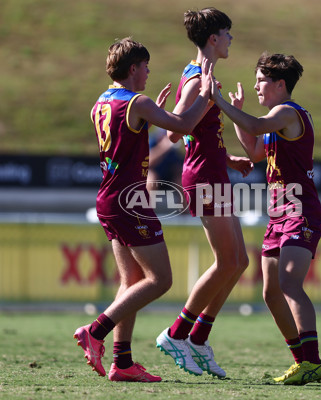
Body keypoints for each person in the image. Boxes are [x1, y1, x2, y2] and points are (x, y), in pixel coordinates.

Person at [73, 37, 213, 383]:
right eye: (146, 66)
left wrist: (154, 116)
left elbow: (131, 135)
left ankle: (122, 363)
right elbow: (182, 127)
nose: (149, 71)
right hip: (130, 200)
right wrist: (208, 98)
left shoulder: (102, 102)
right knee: (160, 279)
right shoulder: (138, 101)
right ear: (133, 68)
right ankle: (96, 330)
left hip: (108, 197)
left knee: (132, 281)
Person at [209, 52, 321, 385]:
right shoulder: (277, 119)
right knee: (271, 292)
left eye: (261, 80)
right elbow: (255, 151)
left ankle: (313, 361)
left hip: (300, 210)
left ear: (279, 84)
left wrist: (220, 102)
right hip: (280, 212)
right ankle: (303, 362)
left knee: (289, 284)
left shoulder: (286, 112)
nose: (256, 86)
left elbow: (255, 125)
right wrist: (235, 114)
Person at [155, 8, 253, 378]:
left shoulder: (201, 74)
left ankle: (198, 338)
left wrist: (229, 158)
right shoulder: (198, 79)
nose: (231, 39)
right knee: (227, 262)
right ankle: (178, 334)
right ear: (213, 37)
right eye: (227, 33)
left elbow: (197, 133)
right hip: (204, 178)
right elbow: (175, 132)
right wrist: (205, 99)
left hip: (215, 172)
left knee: (240, 262)